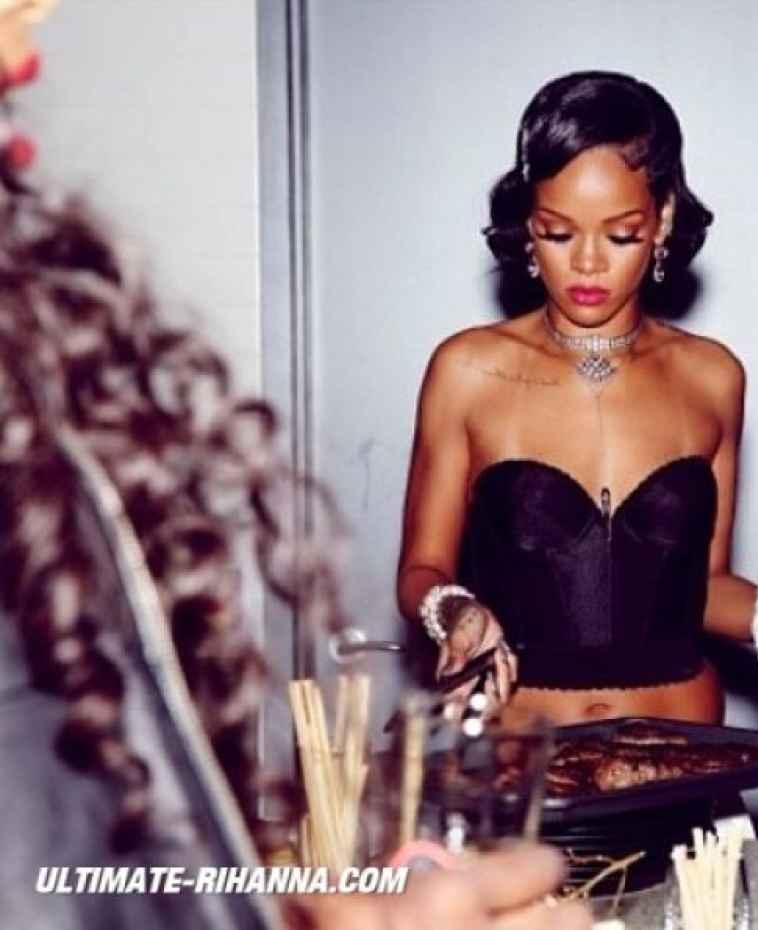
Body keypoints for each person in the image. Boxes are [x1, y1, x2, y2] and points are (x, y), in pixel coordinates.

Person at [0, 5, 589, 929]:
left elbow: (85, 880)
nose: (39, 10)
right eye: (559, 229)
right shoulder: (470, 367)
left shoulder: (32, 410)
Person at [397, 71, 758, 727]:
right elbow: (421, 569)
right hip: (522, 754)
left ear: (662, 221)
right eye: (558, 232)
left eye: (622, 234)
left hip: (687, 745)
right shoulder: (467, 370)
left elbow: (705, 589)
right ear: (527, 228)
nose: (588, 263)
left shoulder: (713, 377)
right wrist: (454, 609)